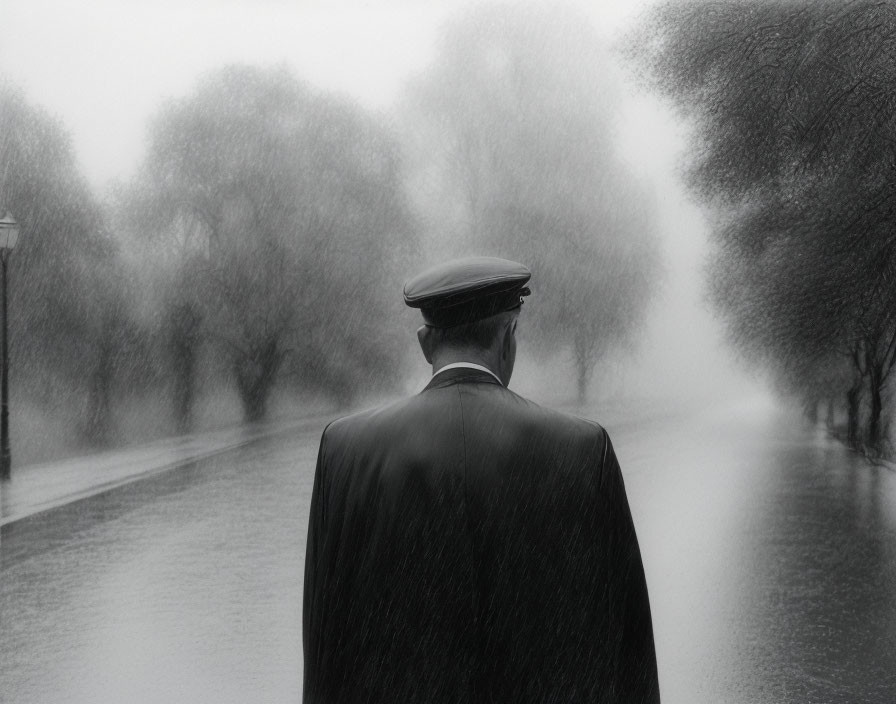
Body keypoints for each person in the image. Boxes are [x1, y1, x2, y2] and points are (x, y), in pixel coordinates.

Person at [303, 256, 660, 703]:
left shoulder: (345, 451)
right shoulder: (584, 450)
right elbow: (629, 650)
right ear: (509, 336)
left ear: (424, 343)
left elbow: (323, 644)